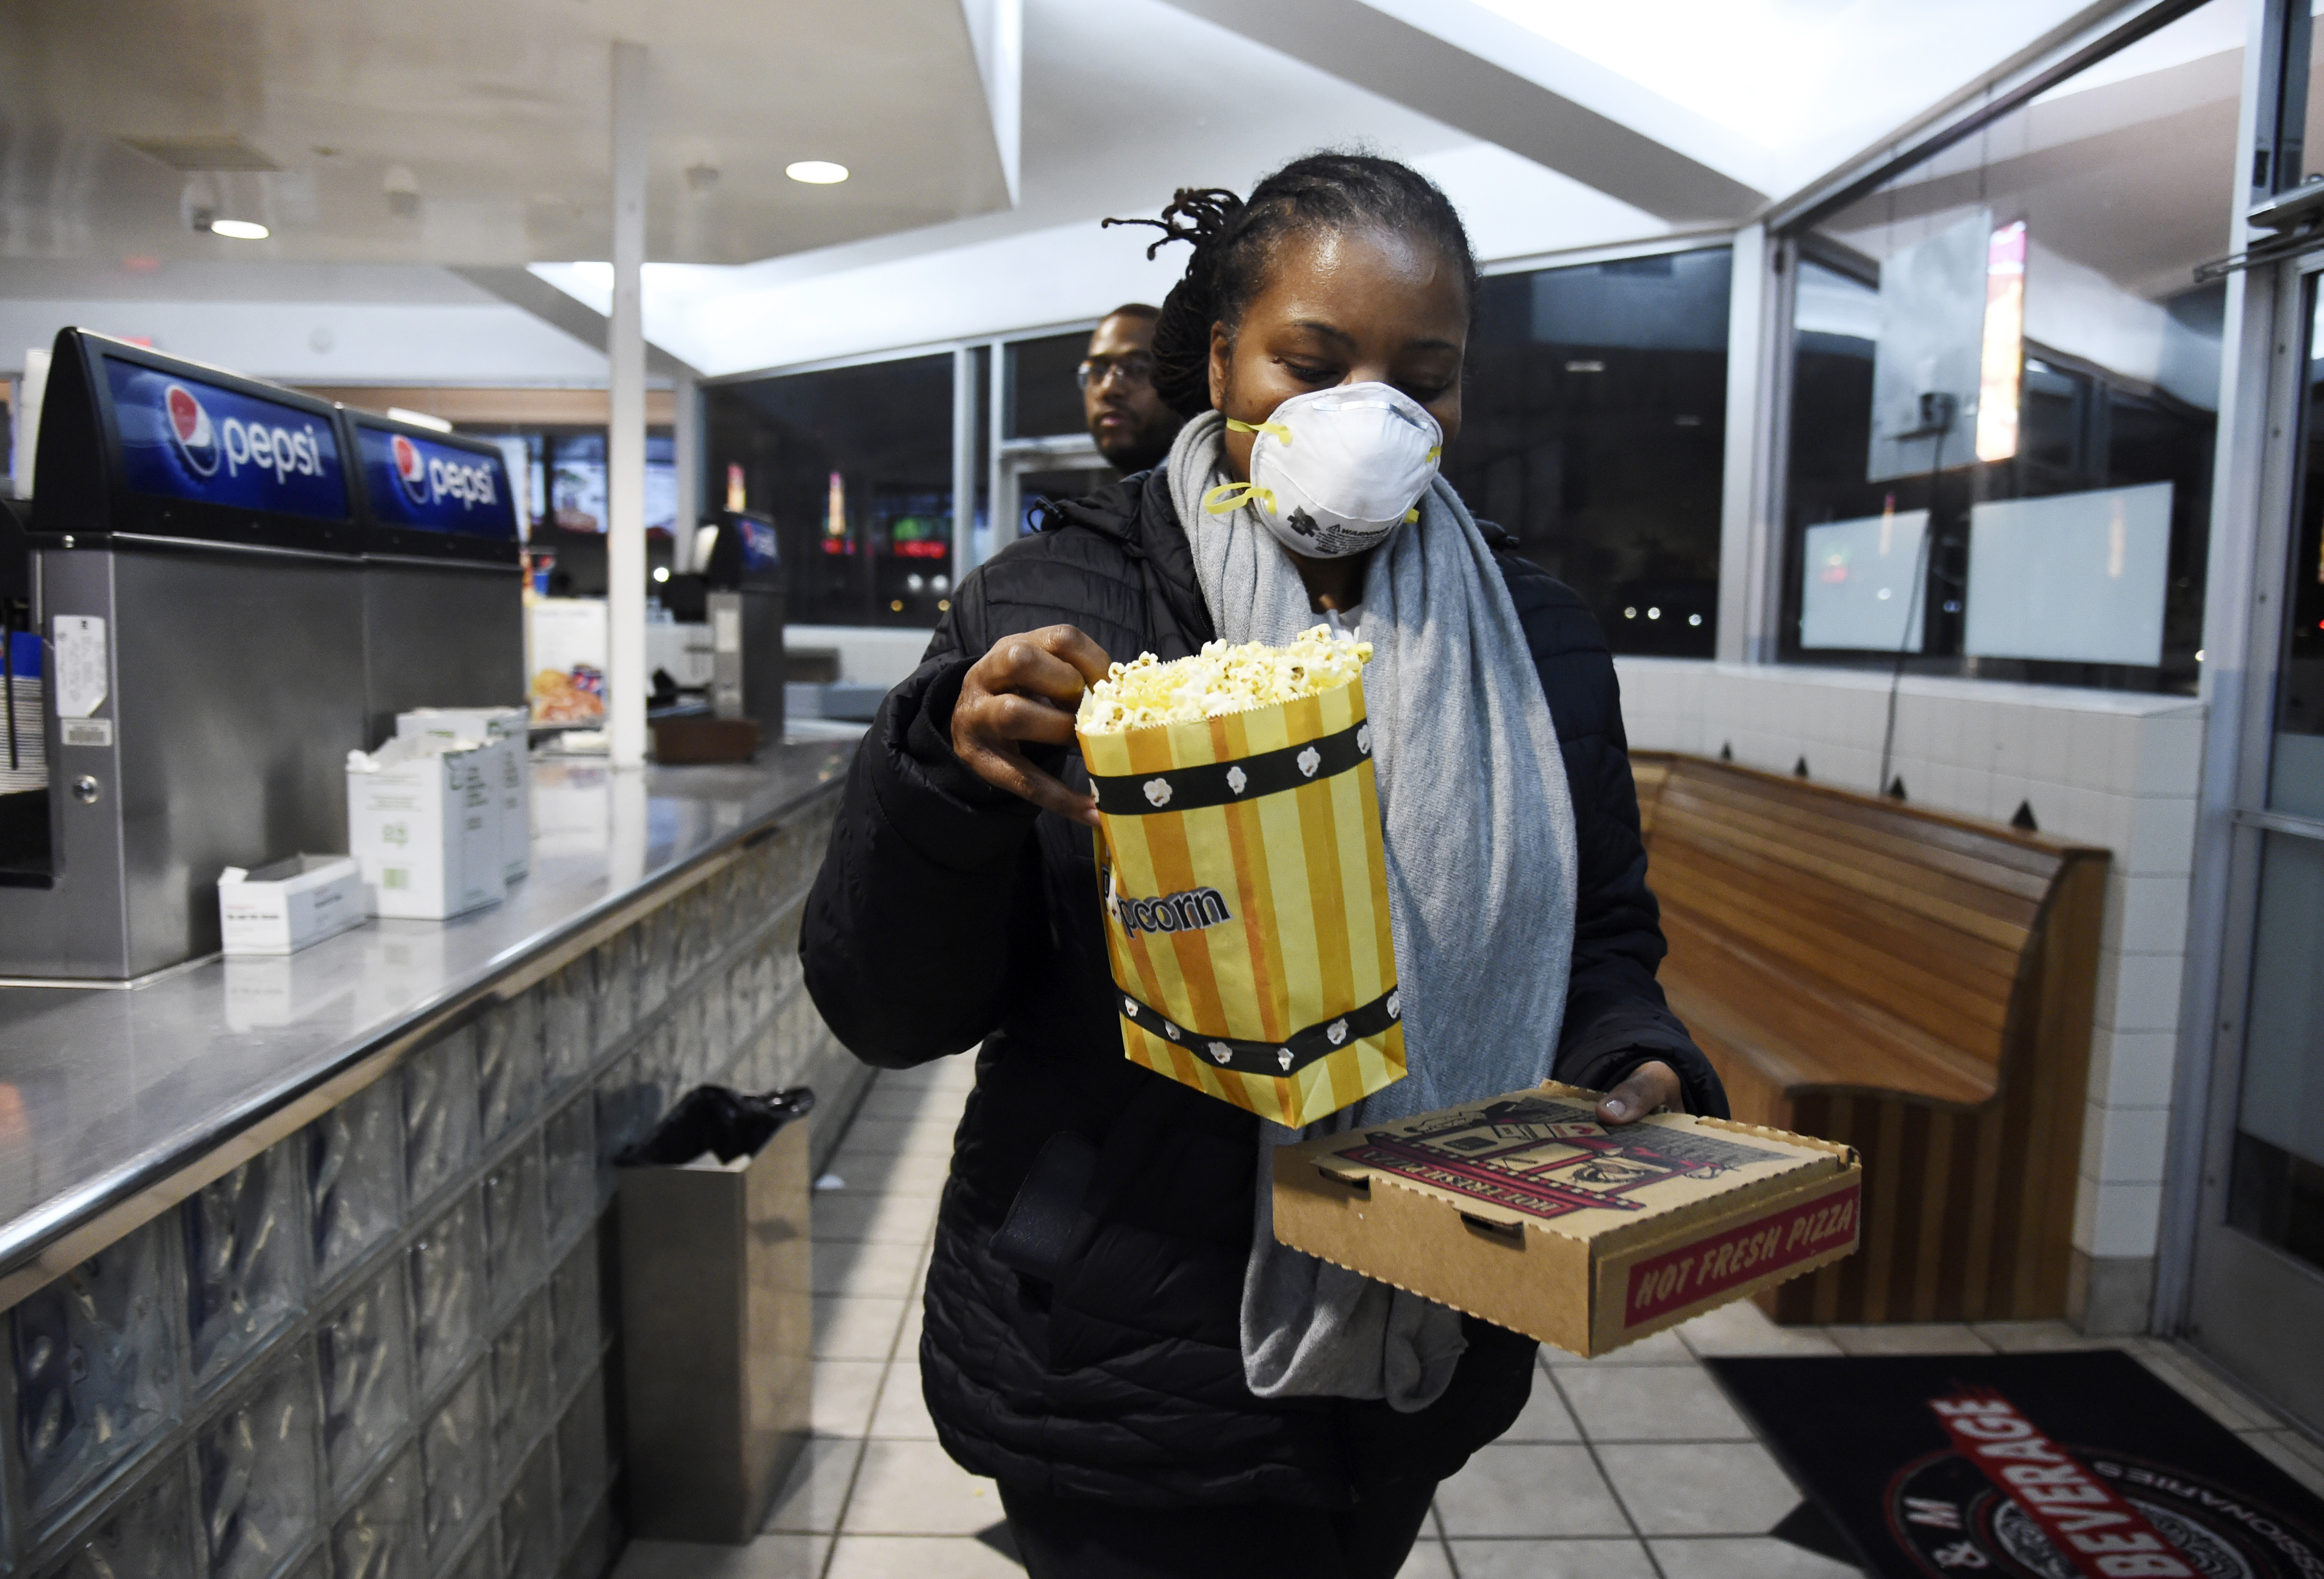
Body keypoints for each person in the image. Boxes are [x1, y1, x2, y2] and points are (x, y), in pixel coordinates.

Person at [803, 152, 1724, 1579]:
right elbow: (891, 1007)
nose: (1373, 413)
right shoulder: (1056, 611)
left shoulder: (1533, 641)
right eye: (1315, 361)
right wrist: (941, 776)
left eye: (1426, 376)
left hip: (1420, 1312)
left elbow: (1600, 933)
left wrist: (1632, 1052)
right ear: (1219, 355)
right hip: (1117, 1343)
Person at [1081, 302, 1183, 472]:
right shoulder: (1121, 496)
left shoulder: (1222, 495)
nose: (1109, 389)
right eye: (1098, 370)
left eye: (1137, 368)